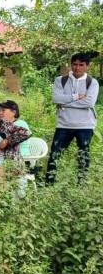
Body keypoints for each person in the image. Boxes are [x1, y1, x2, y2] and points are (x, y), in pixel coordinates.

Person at [46, 52, 100, 184]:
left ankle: (81, 184)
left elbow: (89, 103)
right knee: (55, 154)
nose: (77, 68)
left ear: (87, 66)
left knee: (83, 155)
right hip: (64, 124)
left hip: (85, 125)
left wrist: (65, 103)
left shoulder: (92, 83)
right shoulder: (60, 80)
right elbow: (56, 99)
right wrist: (76, 97)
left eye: (81, 65)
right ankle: (49, 183)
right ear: (71, 65)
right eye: (74, 64)